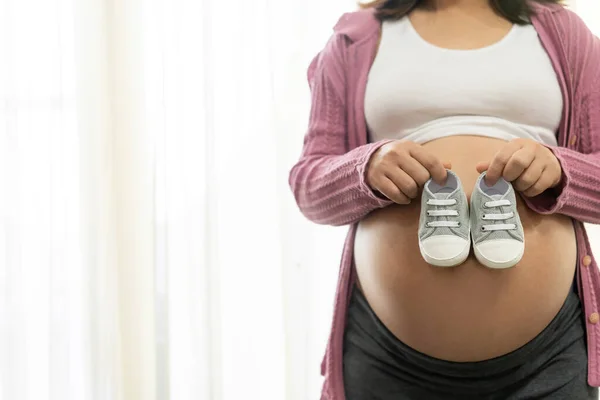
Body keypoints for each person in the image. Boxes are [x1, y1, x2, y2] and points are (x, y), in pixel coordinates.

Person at [288, 0, 600, 398]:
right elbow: (307, 185)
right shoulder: (355, 39)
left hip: (547, 362)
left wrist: (560, 170)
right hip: (386, 363)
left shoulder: (565, 34)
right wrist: (363, 170)